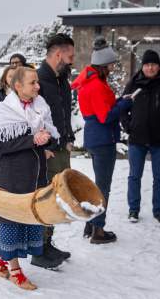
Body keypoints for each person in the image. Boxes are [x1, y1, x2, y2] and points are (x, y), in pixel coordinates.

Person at [0, 66, 60, 290]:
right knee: (10, 220)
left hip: (35, 175)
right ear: (17, 86)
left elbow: (52, 137)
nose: (38, 86)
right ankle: (15, 270)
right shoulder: (5, 110)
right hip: (11, 177)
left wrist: (46, 139)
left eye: (37, 82)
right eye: (33, 83)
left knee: (26, 219)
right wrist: (32, 140)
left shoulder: (41, 106)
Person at [71, 36, 132, 244]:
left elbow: (102, 108)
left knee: (98, 185)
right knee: (103, 187)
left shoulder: (90, 82)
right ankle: (98, 231)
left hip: (95, 137)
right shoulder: (96, 85)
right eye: (112, 64)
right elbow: (106, 116)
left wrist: (118, 101)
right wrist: (124, 105)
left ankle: (91, 223)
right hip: (102, 139)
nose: (114, 66)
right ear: (103, 65)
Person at [32, 33, 75, 269]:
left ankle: (47, 244)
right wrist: (44, 147)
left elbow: (63, 114)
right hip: (47, 152)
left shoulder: (61, 80)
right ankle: (39, 250)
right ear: (58, 54)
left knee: (57, 197)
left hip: (61, 148)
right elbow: (31, 117)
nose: (72, 61)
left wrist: (68, 138)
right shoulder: (38, 80)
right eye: (70, 56)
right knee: (46, 197)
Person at [120, 49, 160, 223]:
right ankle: (133, 209)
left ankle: (158, 210)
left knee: (159, 177)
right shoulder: (134, 83)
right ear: (142, 66)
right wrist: (128, 126)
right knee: (135, 175)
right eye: (147, 65)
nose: (150, 68)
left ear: (158, 66)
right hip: (137, 139)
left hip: (159, 140)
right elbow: (123, 107)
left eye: (153, 64)